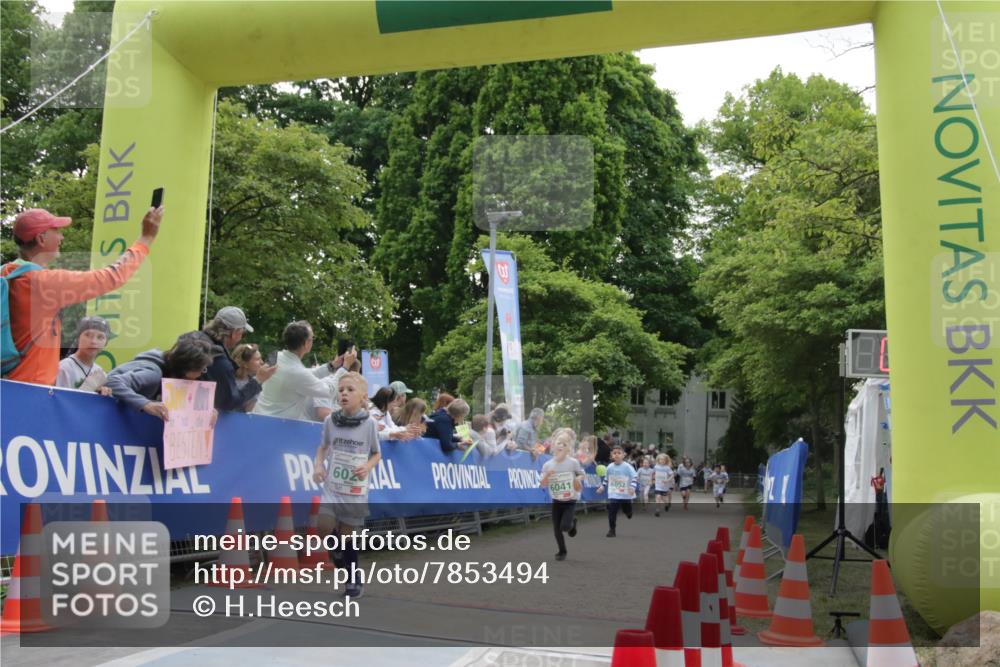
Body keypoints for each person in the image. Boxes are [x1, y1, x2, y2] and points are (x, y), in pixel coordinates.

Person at [2, 206, 164, 385]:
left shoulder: (6, 273)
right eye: (56, 231)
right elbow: (113, 276)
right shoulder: (42, 281)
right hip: (31, 388)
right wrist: (145, 238)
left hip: (8, 384)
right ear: (41, 238)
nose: (61, 237)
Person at [311, 372, 381, 599]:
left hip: (354, 488)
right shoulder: (330, 420)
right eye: (341, 390)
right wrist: (319, 466)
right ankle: (338, 553)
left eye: (350, 390)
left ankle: (353, 580)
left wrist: (367, 467)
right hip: (333, 484)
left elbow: (377, 453)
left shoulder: (369, 423)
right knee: (323, 527)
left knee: (347, 536)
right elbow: (322, 447)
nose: (344, 393)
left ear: (363, 397)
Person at [181, 307, 276, 412]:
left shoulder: (186, 338)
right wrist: (258, 380)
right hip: (195, 418)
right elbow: (230, 402)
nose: (241, 338)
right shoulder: (219, 360)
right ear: (235, 333)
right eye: (242, 333)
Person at [252, 321, 344, 422]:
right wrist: (344, 368)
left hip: (258, 418)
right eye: (312, 338)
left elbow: (304, 375)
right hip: (277, 427)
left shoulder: (275, 356)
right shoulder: (297, 372)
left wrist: (332, 366)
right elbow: (329, 391)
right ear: (306, 343)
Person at [104, 338, 215, 420]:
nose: (201, 373)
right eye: (201, 369)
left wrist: (207, 409)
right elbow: (112, 381)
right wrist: (145, 404)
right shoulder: (153, 373)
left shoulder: (173, 375)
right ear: (186, 368)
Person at [539, 429, 585, 561]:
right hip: (556, 500)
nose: (561, 446)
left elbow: (581, 475)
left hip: (570, 499)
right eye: (559, 443)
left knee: (564, 526)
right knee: (556, 528)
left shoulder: (573, 462)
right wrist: (547, 476)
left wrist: (577, 479)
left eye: (565, 444)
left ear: (569, 448)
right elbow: (542, 484)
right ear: (553, 445)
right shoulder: (548, 465)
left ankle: (571, 524)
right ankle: (562, 551)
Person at [56, 316, 112, 394]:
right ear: (78, 338)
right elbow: (60, 401)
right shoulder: (64, 368)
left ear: (106, 343)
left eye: (100, 337)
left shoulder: (100, 373)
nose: (93, 341)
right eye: (88, 335)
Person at [596, 445, 637, 537]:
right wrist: (602, 487)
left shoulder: (627, 467)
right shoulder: (610, 467)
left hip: (626, 494)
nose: (617, 455)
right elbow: (607, 478)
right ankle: (612, 530)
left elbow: (635, 477)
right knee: (612, 512)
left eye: (619, 453)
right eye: (614, 453)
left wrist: (632, 487)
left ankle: (629, 512)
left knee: (626, 510)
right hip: (614, 493)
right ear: (611, 455)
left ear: (623, 455)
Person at [231, 343, 263, 411]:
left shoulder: (252, 380)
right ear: (245, 364)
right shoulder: (231, 383)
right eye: (258, 359)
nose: (262, 362)